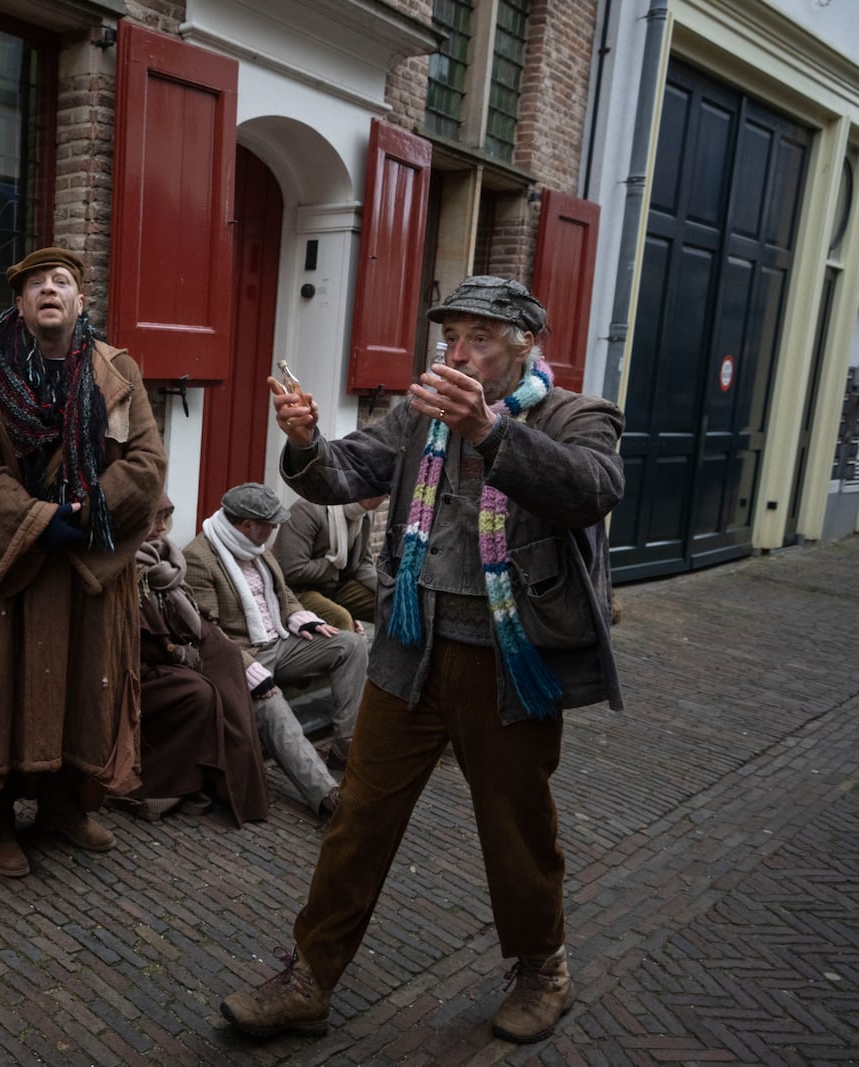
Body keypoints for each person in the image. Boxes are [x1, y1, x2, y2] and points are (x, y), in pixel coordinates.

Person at [220, 275, 624, 1045]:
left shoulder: (578, 415)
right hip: (410, 649)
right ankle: (309, 978)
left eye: (478, 338)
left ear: (524, 342)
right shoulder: (419, 414)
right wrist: (305, 439)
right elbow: (344, 473)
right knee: (359, 818)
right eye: (451, 337)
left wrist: (492, 433)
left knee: (515, 826)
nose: (458, 353)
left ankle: (543, 968)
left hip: (508, 662)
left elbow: (593, 490)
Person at [0, 246, 167, 878]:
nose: (48, 290)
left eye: (61, 281)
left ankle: (66, 805)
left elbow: (146, 462)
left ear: (80, 301)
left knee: (84, 685)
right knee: (4, 687)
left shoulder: (118, 372)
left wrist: (88, 514)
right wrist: (38, 522)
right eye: (36, 283)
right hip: (17, 565)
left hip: (90, 563)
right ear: (20, 304)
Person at [182, 483, 369, 815]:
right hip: (243, 656)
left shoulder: (257, 546)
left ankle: (345, 747)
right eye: (269, 523)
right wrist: (253, 674)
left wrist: (301, 618)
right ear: (247, 524)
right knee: (275, 706)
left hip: (280, 641)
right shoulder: (199, 557)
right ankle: (328, 796)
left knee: (351, 644)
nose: (275, 530)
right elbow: (208, 634)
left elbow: (284, 594)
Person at [123, 495, 269, 826]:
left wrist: (222, 649)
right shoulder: (123, 565)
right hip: (136, 669)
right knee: (199, 692)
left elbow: (187, 614)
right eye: (154, 519)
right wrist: (175, 653)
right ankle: (165, 786)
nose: (161, 528)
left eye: (166, 518)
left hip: (171, 652)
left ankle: (236, 782)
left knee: (228, 661)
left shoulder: (166, 557)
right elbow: (135, 637)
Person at [274, 496, 388, 631]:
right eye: (384, 494)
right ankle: (347, 650)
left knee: (390, 604)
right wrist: (335, 565)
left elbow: (363, 564)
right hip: (301, 590)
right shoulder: (308, 510)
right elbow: (293, 570)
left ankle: (393, 651)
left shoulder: (364, 514)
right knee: (341, 617)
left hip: (337, 586)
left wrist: (388, 588)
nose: (384, 499)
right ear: (368, 495)